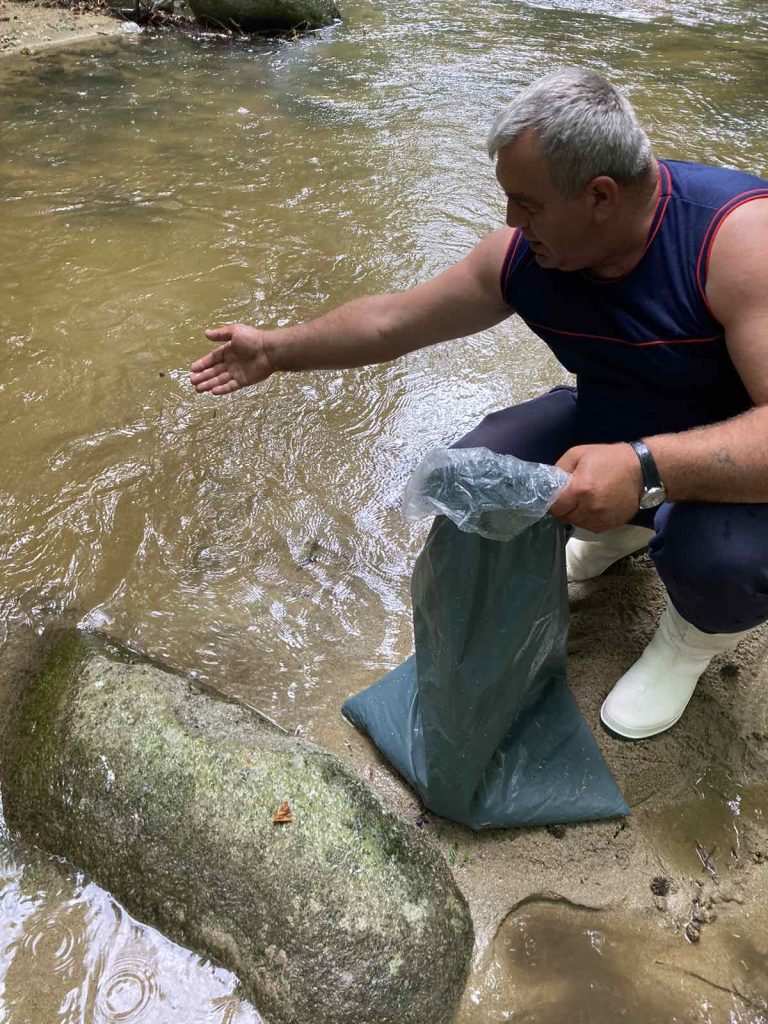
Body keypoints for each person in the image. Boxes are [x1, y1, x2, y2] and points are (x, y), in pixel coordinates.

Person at [191, 67, 768, 741]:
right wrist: (275, 350)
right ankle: (626, 529)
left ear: (600, 197)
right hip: (621, 423)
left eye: (526, 204)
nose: (509, 222)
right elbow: (391, 322)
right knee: (467, 476)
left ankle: (688, 639)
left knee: (722, 560)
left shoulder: (737, 242)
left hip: (739, 469)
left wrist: (644, 468)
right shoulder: (527, 255)